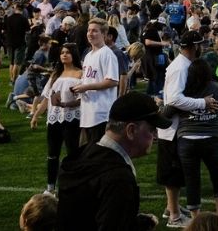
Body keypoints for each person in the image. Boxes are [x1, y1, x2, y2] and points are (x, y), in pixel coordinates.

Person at [55, 89, 159, 231]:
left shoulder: (85, 153)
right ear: (131, 130)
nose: (155, 136)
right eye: (152, 129)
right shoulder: (117, 177)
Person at [176, 40, 218, 223]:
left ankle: (195, 219)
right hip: (211, 138)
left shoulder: (184, 91)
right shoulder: (215, 88)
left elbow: (169, 110)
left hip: (186, 139)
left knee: (192, 180)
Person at [31, 40, 82, 194]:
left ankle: (74, 185)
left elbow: (83, 98)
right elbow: (47, 98)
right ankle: (50, 187)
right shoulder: (56, 74)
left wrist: (69, 105)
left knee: (73, 153)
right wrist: (36, 116)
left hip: (73, 118)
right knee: (52, 154)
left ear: (74, 55)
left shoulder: (81, 73)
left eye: (67, 52)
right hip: (54, 119)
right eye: (62, 53)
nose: (64, 55)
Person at [73, 20, 122, 148]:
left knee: (100, 152)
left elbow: (112, 81)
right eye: (89, 30)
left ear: (104, 34)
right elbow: (89, 78)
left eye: (95, 31)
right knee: (90, 151)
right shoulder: (89, 55)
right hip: (88, 111)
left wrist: (86, 87)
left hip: (101, 112)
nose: (90, 34)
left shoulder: (107, 54)